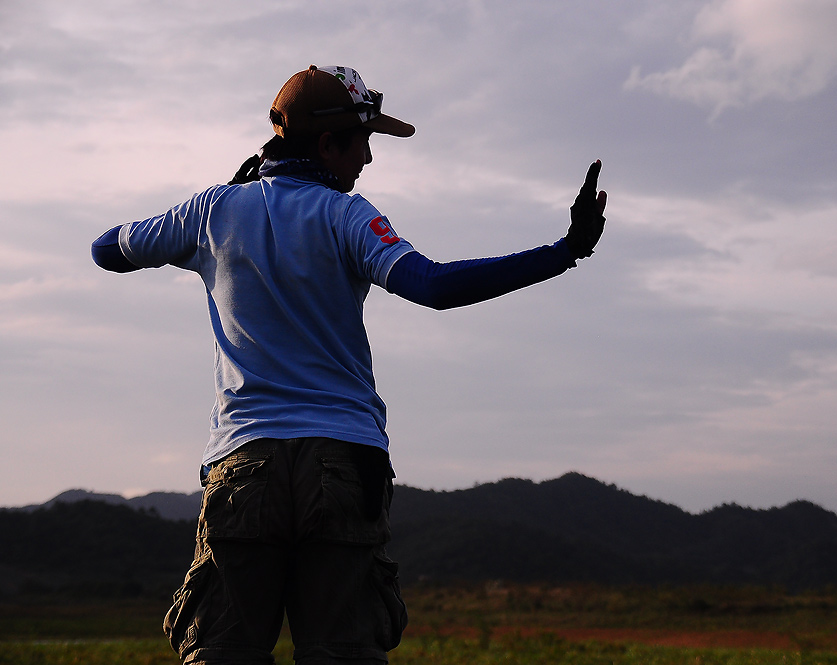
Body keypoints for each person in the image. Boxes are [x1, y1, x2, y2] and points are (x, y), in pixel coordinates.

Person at [91, 64, 607, 665]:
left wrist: (227, 209)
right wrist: (564, 251)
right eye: (363, 142)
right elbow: (433, 285)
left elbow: (107, 249)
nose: (367, 159)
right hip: (343, 462)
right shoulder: (349, 215)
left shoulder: (212, 212)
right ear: (328, 144)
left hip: (244, 464)